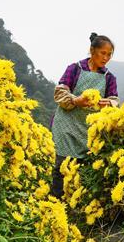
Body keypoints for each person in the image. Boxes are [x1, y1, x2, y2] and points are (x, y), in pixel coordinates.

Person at [50, 33, 118, 198]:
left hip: (88, 130)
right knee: (61, 166)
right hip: (66, 124)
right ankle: (54, 204)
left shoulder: (109, 77)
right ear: (92, 51)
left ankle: (75, 208)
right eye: (103, 53)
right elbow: (60, 93)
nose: (106, 58)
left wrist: (106, 103)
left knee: (83, 169)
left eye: (109, 54)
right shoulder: (75, 69)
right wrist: (76, 100)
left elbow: (115, 101)